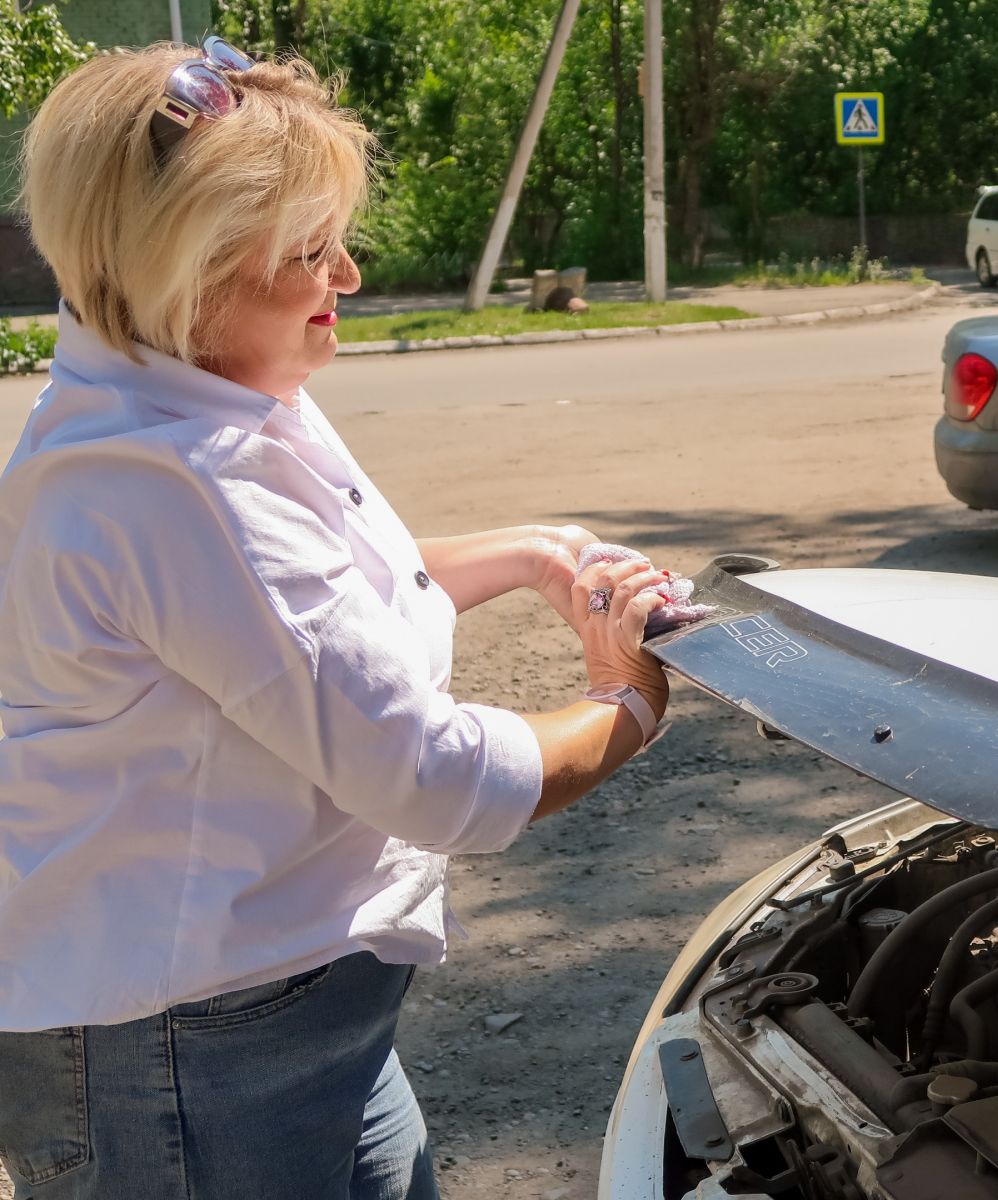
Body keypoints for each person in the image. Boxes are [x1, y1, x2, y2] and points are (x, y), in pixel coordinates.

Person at [0, 40, 670, 1199]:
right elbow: (429, 776)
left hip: (251, 1028)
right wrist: (631, 698)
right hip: (189, 1066)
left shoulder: (175, 400)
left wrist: (522, 554)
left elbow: (302, 616)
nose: (349, 275)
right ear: (189, 275)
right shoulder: (185, 483)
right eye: (309, 251)